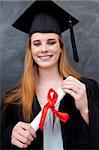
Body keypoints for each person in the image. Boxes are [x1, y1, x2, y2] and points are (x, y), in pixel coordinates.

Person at [1, 0, 99, 150]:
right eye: (37, 43)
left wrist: (86, 108)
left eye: (51, 42)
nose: (44, 49)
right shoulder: (14, 100)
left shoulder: (86, 89)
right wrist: (10, 136)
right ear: (30, 50)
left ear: (61, 47)